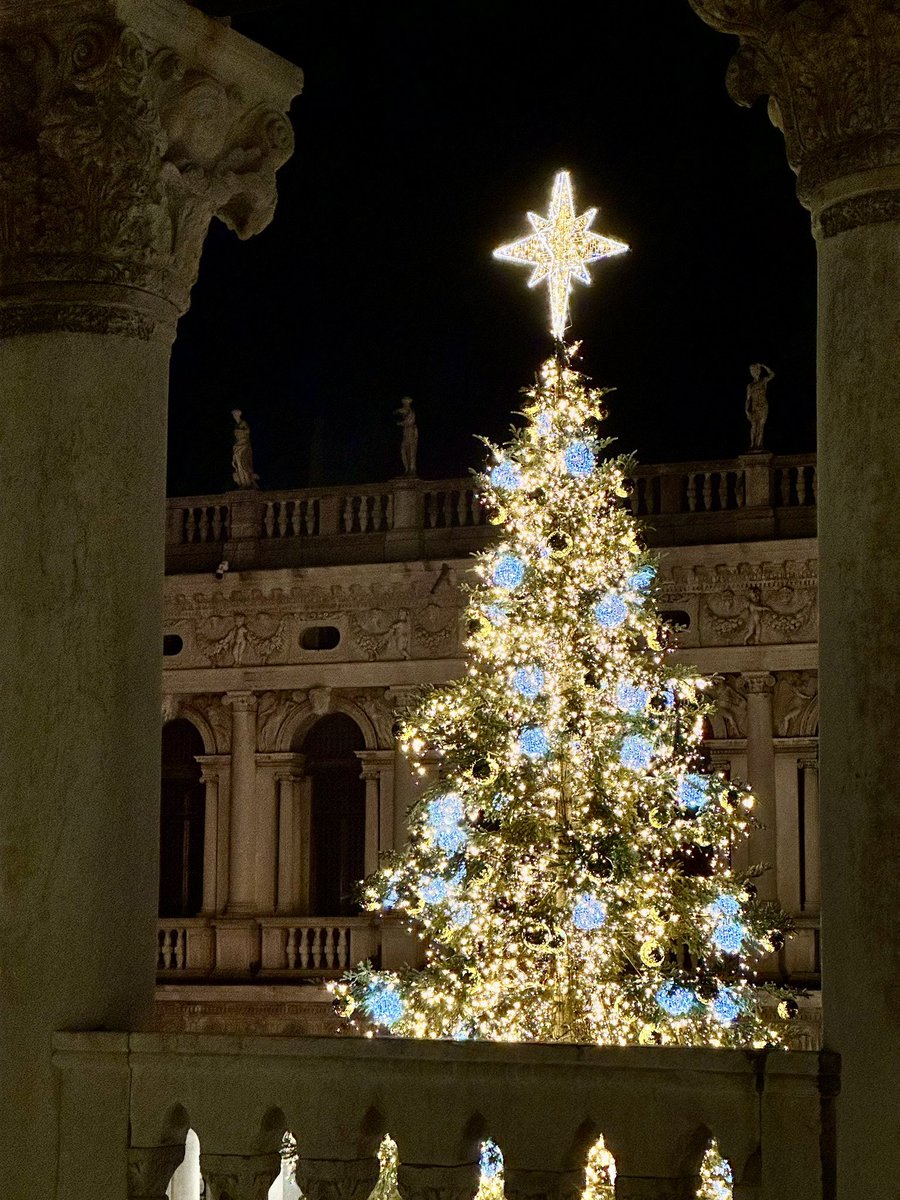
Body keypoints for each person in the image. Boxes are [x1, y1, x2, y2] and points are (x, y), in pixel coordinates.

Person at [745, 363, 774, 452]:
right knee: (754, 425)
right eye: (752, 371)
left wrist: (764, 366)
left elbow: (772, 374)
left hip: (763, 405)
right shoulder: (750, 385)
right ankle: (752, 444)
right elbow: (748, 399)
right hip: (754, 406)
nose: (754, 372)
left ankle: (759, 444)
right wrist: (746, 410)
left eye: (756, 370)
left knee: (761, 426)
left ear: (759, 371)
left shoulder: (763, 381)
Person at [231, 408, 260, 488]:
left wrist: (239, 431)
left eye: (235, 414)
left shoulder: (243, 423)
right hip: (237, 445)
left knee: (244, 463)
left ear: (238, 415)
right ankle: (242, 482)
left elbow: (247, 431)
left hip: (244, 445)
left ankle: (248, 482)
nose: (234, 416)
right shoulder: (236, 425)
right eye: (233, 415)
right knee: (238, 464)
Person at [395, 396, 418, 476]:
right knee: (403, 451)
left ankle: (411, 469)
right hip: (405, 433)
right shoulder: (406, 410)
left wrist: (400, 423)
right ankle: (407, 469)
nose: (404, 404)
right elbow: (400, 411)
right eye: (403, 402)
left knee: (411, 452)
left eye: (405, 402)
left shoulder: (411, 411)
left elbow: (409, 421)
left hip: (411, 432)